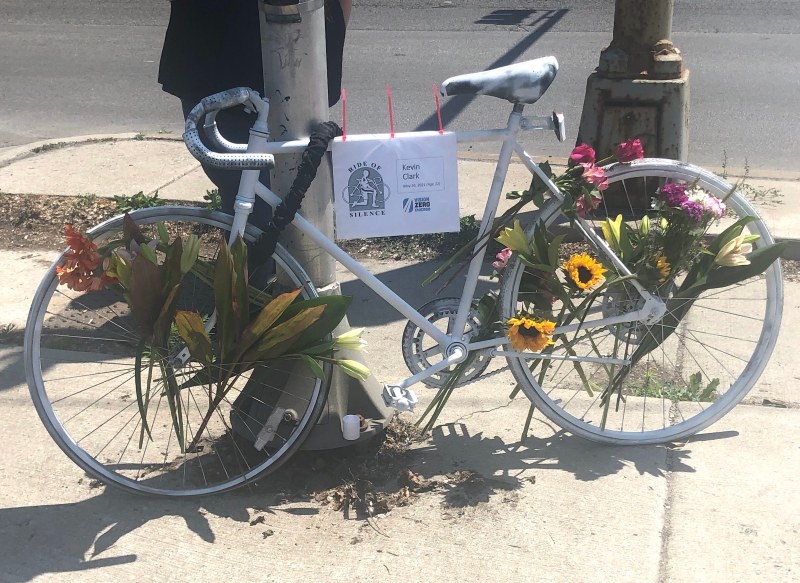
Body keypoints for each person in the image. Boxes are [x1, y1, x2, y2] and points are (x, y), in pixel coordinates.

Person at [158, 0, 351, 230]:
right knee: (255, 209)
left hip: (290, 46)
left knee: (290, 206)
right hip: (217, 54)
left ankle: (263, 257)